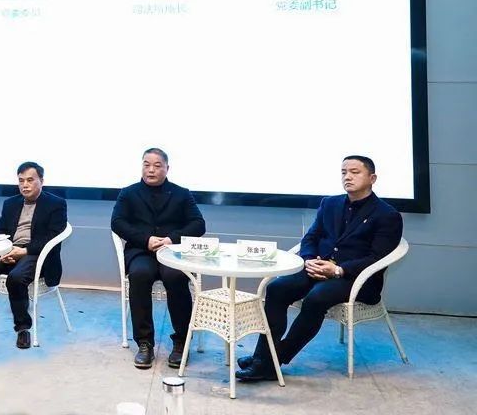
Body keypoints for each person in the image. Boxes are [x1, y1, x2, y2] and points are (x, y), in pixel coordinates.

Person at [236, 155, 404, 381]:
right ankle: (263, 357)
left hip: (356, 279)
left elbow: (377, 258)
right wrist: (308, 259)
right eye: (344, 172)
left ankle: (272, 360)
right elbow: (311, 237)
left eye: (355, 172)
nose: (347, 177)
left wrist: (338, 270)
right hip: (318, 269)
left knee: (316, 298)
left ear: (372, 178)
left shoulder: (387, 215)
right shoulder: (330, 203)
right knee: (277, 289)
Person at [111, 147, 205, 369]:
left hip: (172, 252)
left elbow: (198, 224)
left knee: (175, 277)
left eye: (157, 165)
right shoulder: (128, 193)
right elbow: (117, 222)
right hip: (141, 250)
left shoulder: (182, 194)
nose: (151, 170)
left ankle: (181, 342)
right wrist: (145, 239)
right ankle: (145, 344)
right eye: (146, 165)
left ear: (167, 168)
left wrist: (172, 239)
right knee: (139, 275)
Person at [0, 161, 67, 349]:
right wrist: (4, 251)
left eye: (30, 180)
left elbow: (53, 236)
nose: (25, 185)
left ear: (41, 181)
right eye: (21, 181)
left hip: (36, 254)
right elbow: (1, 231)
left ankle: (23, 329)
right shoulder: (10, 203)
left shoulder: (56, 204)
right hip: (10, 250)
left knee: (16, 278)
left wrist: (24, 251)